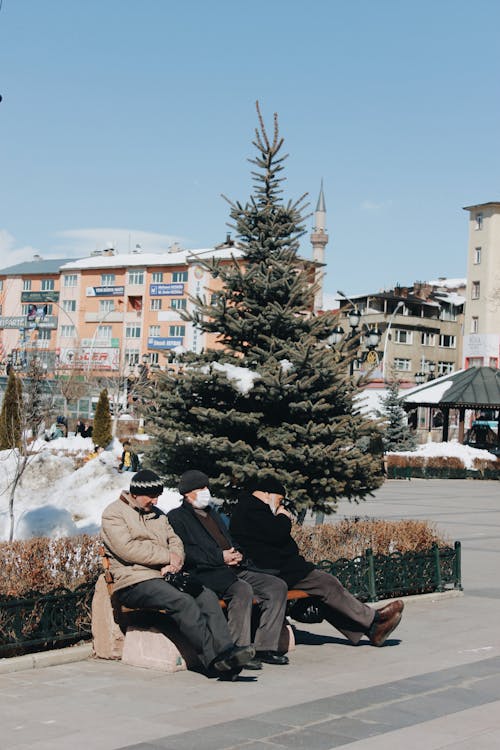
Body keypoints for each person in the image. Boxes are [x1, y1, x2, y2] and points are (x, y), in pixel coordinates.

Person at [101, 469, 255, 679]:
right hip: (134, 580)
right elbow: (128, 549)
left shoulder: (158, 515)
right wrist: (167, 557)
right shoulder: (114, 514)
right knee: (182, 601)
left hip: (165, 576)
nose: (155, 501)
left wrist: (175, 561)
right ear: (135, 493)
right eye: (151, 496)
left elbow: (176, 541)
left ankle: (227, 650)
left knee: (205, 595)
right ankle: (213, 661)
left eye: (158, 496)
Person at [230, 476, 404, 648]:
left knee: (324, 589)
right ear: (268, 494)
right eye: (280, 499)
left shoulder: (252, 508)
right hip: (273, 572)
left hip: (281, 569)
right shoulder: (252, 508)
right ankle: (373, 620)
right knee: (327, 584)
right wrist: (283, 517)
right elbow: (276, 533)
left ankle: (373, 628)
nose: (280, 505)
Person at [168, 470, 289, 670]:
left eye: (206, 487)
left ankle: (265, 647)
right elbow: (186, 552)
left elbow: (230, 540)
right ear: (187, 493)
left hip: (233, 567)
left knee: (276, 586)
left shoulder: (212, 513)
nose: (206, 491)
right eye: (200, 488)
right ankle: (238, 650)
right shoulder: (177, 518)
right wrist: (220, 557)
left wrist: (237, 553)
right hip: (206, 572)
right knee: (241, 590)